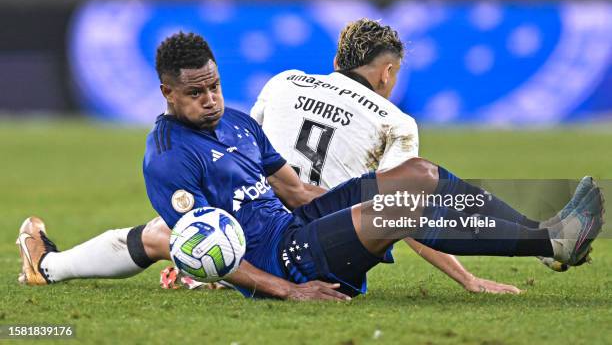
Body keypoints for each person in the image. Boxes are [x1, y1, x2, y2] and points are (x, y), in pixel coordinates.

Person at [17, 32, 604, 300]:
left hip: (298, 228)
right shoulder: (168, 156)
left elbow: (297, 191)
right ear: (167, 94)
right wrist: (287, 292)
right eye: (196, 92)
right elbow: (198, 247)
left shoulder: (239, 121)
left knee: (418, 177)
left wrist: (355, 206)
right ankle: (551, 241)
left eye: (215, 85)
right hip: (287, 261)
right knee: (401, 206)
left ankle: (544, 233)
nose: (211, 98)